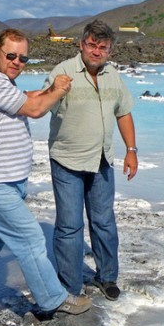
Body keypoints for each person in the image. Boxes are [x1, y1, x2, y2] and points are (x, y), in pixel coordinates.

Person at [0, 28, 92, 325]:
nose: (17, 62)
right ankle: (53, 299)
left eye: (23, 58)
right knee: (30, 240)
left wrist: (49, 88)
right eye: (11, 55)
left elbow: (26, 97)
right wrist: (58, 91)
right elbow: (35, 109)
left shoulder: (1, 80)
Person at [44, 20, 138, 302]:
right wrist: (55, 91)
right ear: (81, 44)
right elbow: (41, 106)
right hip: (67, 161)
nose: (96, 51)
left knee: (104, 222)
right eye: (92, 45)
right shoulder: (62, 72)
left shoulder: (113, 75)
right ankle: (70, 286)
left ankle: (107, 277)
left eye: (103, 47)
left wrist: (131, 150)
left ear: (110, 51)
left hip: (101, 161)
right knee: (69, 226)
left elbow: (123, 112)